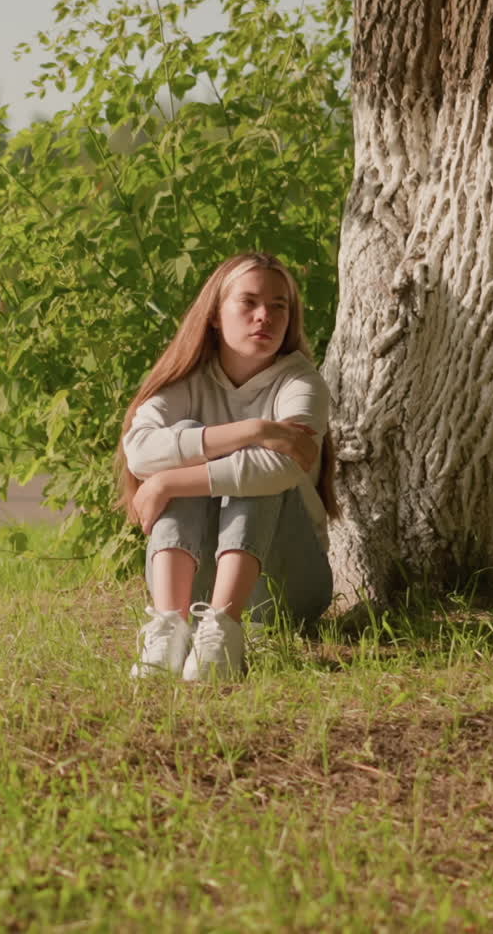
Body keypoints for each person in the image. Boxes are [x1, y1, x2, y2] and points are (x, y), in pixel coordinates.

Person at [119, 252, 337, 681]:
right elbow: (140, 452)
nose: (265, 317)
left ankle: (224, 628)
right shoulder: (187, 381)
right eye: (249, 302)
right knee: (184, 458)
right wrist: (253, 429)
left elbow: (280, 469)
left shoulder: (301, 382)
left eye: (279, 306)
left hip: (287, 584)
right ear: (216, 314)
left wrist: (169, 482)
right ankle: (169, 627)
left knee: (250, 474)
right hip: (191, 581)